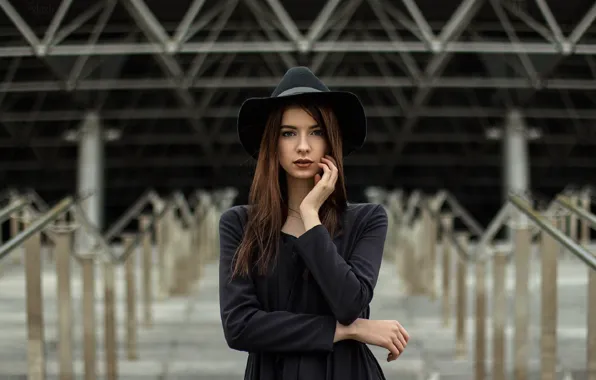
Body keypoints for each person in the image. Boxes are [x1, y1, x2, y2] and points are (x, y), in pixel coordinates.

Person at [218, 66, 409, 380]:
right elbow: (240, 327)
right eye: (289, 132)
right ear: (272, 143)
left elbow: (349, 302)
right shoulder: (239, 225)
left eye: (316, 131)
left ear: (331, 141)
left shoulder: (367, 220)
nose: (303, 146)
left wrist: (310, 215)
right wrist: (351, 330)